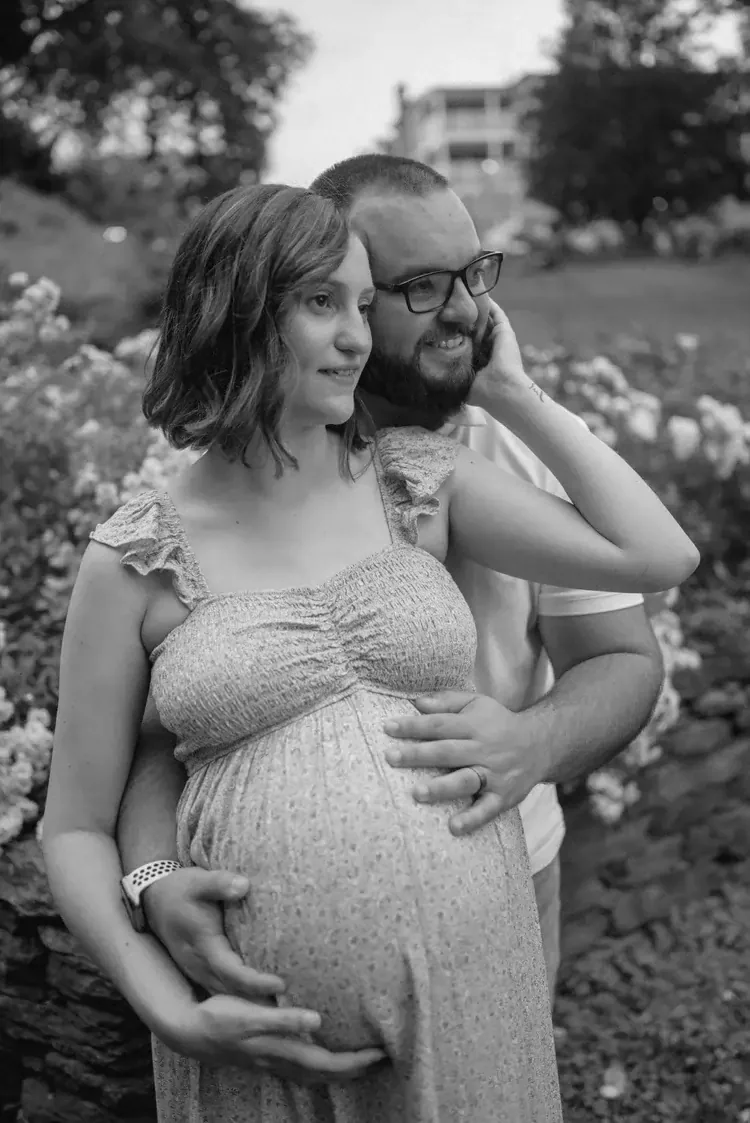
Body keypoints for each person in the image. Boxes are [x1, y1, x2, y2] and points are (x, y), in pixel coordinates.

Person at [43, 178, 697, 1123]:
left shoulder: (416, 481)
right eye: (325, 303)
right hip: (261, 1040)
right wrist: (163, 995)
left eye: (360, 304)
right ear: (234, 311)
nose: (355, 335)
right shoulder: (137, 557)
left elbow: (662, 555)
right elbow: (80, 817)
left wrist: (513, 391)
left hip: (478, 967)